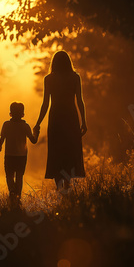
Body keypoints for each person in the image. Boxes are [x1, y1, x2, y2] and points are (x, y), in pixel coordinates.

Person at [34, 50, 87, 191]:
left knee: (56, 152)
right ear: (69, 62)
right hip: (71, 117)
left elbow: (45, 103)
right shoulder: (75, 77)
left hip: (56, 118)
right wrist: (84, 121)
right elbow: (80, 101)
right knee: (69, 151)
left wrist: (38, 122)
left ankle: (59, 188)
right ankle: (68, 187)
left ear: (54, 63)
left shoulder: (49, 79)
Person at [0, 102, 39, 202]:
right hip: (22, 156)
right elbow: (33, 140)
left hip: (9, 154)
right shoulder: (25, 126)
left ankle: (11, 191)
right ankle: (18, 197)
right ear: (23, 114)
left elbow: (2, 138)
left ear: (10, 113)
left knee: (9, 175)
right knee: (19, 176)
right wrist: (36, 132)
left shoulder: (6, 124)